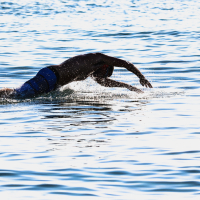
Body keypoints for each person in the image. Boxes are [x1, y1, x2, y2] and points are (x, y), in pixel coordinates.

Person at [0, 53, 152, 99]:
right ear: (106, 66)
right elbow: (126, 63)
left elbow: (104, 83)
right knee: (16, 95)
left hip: (50, 78)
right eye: (104, 74)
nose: (101, 77)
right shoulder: (97, 58)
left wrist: (129, 87)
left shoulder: (92, 71)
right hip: (51, 76)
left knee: (16, 94)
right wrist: (141, 77)